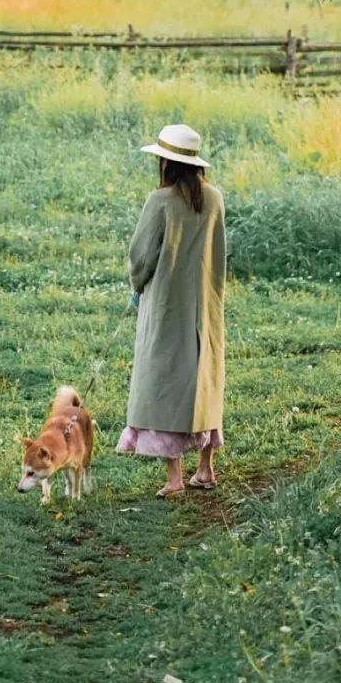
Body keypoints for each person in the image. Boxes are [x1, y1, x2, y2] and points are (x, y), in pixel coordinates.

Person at [116, 123, 226, 499]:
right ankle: (207, 468)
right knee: (203, 376)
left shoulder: (160, 201)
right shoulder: (214, 198)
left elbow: (140, 256)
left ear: (165, 162)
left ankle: (175, 477)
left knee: (165, 378)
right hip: (206, 304)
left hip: (167, 304)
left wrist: (137, 285)